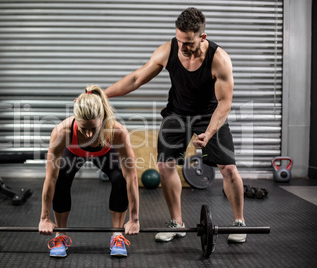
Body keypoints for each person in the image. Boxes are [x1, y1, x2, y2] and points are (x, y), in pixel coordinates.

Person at [104, 7, 246, 244]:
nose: (182, 47)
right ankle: (176, 222)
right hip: (177, 114)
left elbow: (224, 103)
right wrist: (103, 95)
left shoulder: (219, 59)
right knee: (165, 165)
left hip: (210, 115)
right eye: (179, 40)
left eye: (188, 42)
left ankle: (239, 222)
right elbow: (137, 78)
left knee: (229, 169)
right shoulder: (168, 50)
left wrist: (209, 133)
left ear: (203, 36)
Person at [39, 85, 140, 258]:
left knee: (120, 178)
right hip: (74, 152)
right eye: (83, 128)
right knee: (62, 177)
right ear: (76, 120)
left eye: (94, 128)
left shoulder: (117, 132)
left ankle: (117, 235)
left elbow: (131, 176)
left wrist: (134, 218)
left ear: (103, 119)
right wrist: (44, 218)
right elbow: (51, 178)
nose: (88, 134)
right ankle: (60, 235)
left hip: (105, 152)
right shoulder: (61, 132)